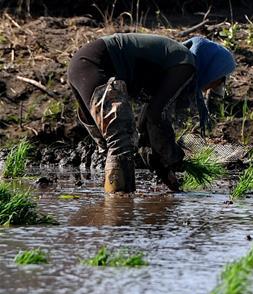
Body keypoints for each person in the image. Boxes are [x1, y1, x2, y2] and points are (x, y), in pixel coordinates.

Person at [67, 33, 236, 192]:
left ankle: (114, 208)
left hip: (82, 66)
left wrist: (162, 168)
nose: (218, 85)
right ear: (213, 67)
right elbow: (156, 115)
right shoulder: (185, 65)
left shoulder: (172, 63)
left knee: (112, 144)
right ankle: (118, 212)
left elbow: (146, 126)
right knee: (121, 143)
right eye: (222, 78)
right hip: (94, 64)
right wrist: (174, 157)